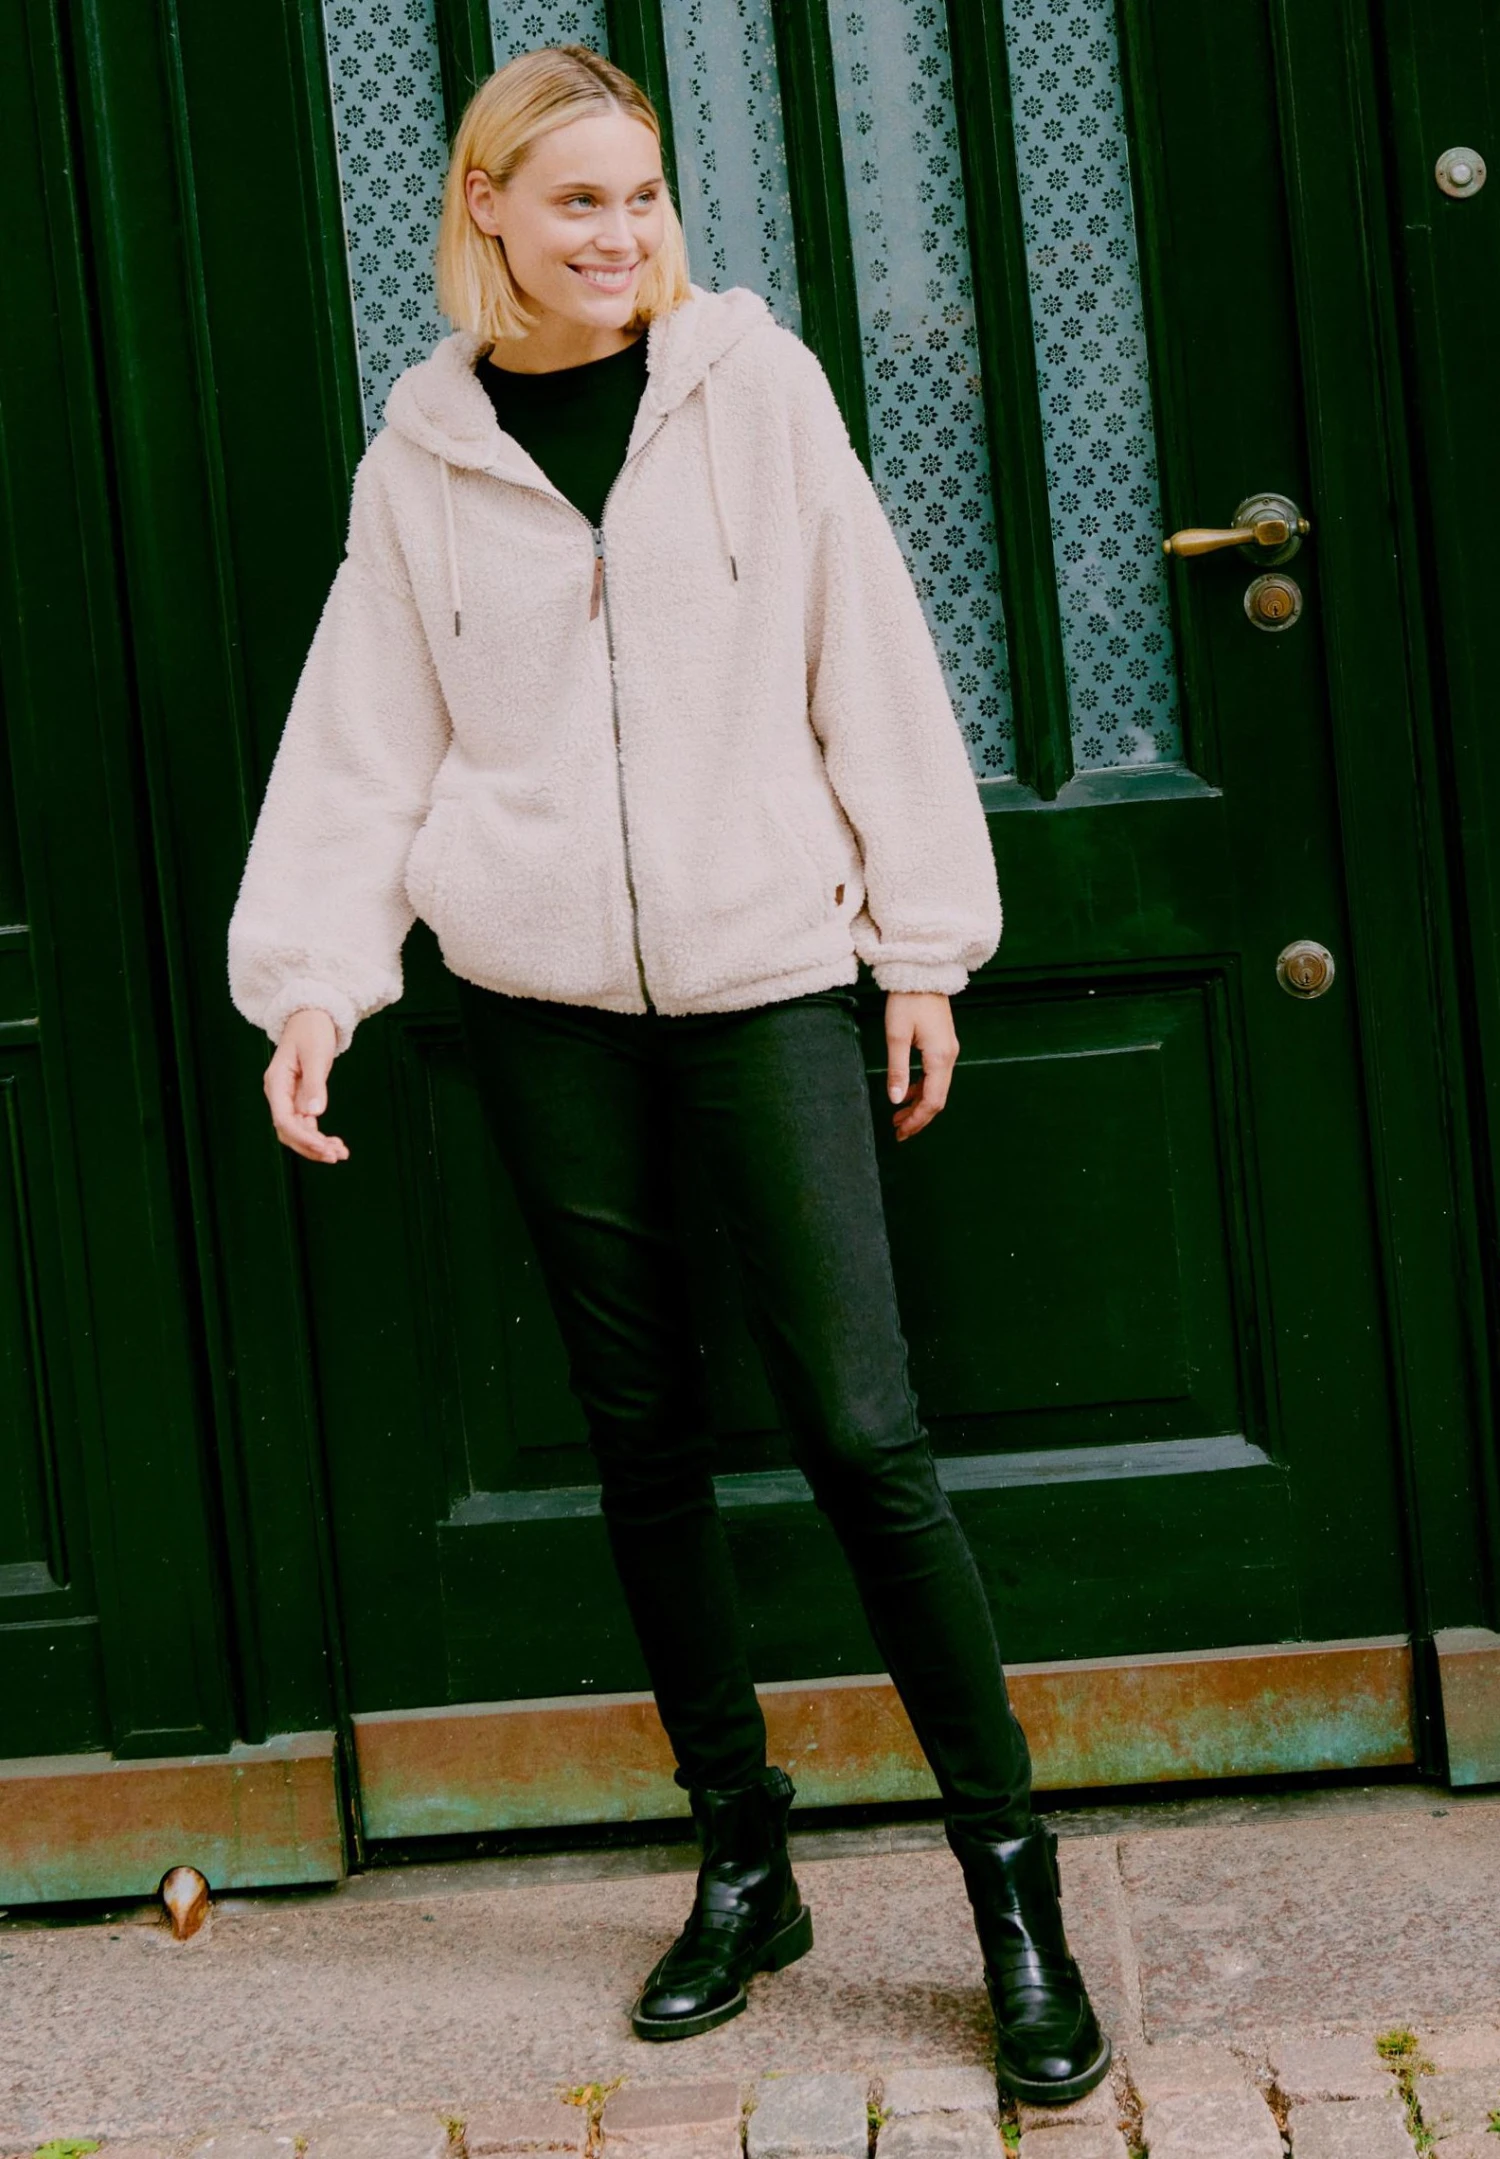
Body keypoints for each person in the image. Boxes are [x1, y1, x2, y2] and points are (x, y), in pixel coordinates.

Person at [226, 40, 1109, 2105]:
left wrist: (920, 940)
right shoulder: (423, 460)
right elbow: (367, 737)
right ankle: (743, 1856)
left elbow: (866, 652)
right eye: (577, 203)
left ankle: (1011, 1884)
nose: (620, 236)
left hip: (767, 972)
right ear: (487, 212)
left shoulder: (753, 393)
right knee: (642, 1440)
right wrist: (316, 984)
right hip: (543, 999)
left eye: (641, 199)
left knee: (865, 1435)